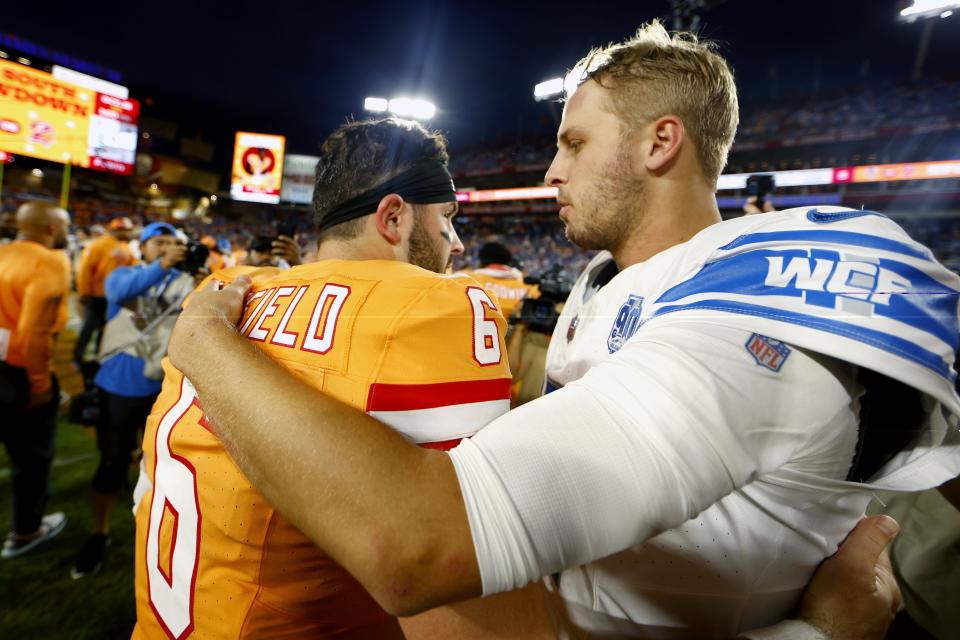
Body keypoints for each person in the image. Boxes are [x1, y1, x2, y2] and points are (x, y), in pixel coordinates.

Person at [168, 21, 960, 639]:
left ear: (661, 141)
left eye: (574, 143)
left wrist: (201, 338)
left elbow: (416, 549)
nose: (551, 171)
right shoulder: (598, 283)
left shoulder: (767, 288)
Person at [130, 118, 555, 639]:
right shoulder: (428, 304)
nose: (459, 245)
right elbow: (452, 581)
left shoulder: (224, 294)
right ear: (394, 217)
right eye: (448, 219)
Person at [71, 222, 193, 578]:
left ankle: (158, 532)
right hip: (118, 389)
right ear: (143, 248)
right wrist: (164, 265)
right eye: (159, 242)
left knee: (165, 465)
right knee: (110, 463)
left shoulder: (183, 281)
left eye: (174, 242)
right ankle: (99, 532)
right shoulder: (123, 274)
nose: (168, 247)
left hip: (162, 390)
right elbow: (124, 290)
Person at [0, 200, 71, 559]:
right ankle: (25, 532)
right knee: (30, 458)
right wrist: (41, 385)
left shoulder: (3, 252)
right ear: (50, 229)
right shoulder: (50, 261)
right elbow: (34, 333)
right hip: (16, 376)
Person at [74, 216, 137, 368]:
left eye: (129, 230)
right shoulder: (98, 245)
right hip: (97, 295)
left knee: (106, 328)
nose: (128, 233)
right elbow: (85, 270)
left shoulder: (124, 247)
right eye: (125, 230)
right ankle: (77, 357)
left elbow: (134, 265)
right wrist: (84, 292)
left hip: (114, 297)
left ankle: (98, 355)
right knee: (89, 326)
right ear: (116, 230)